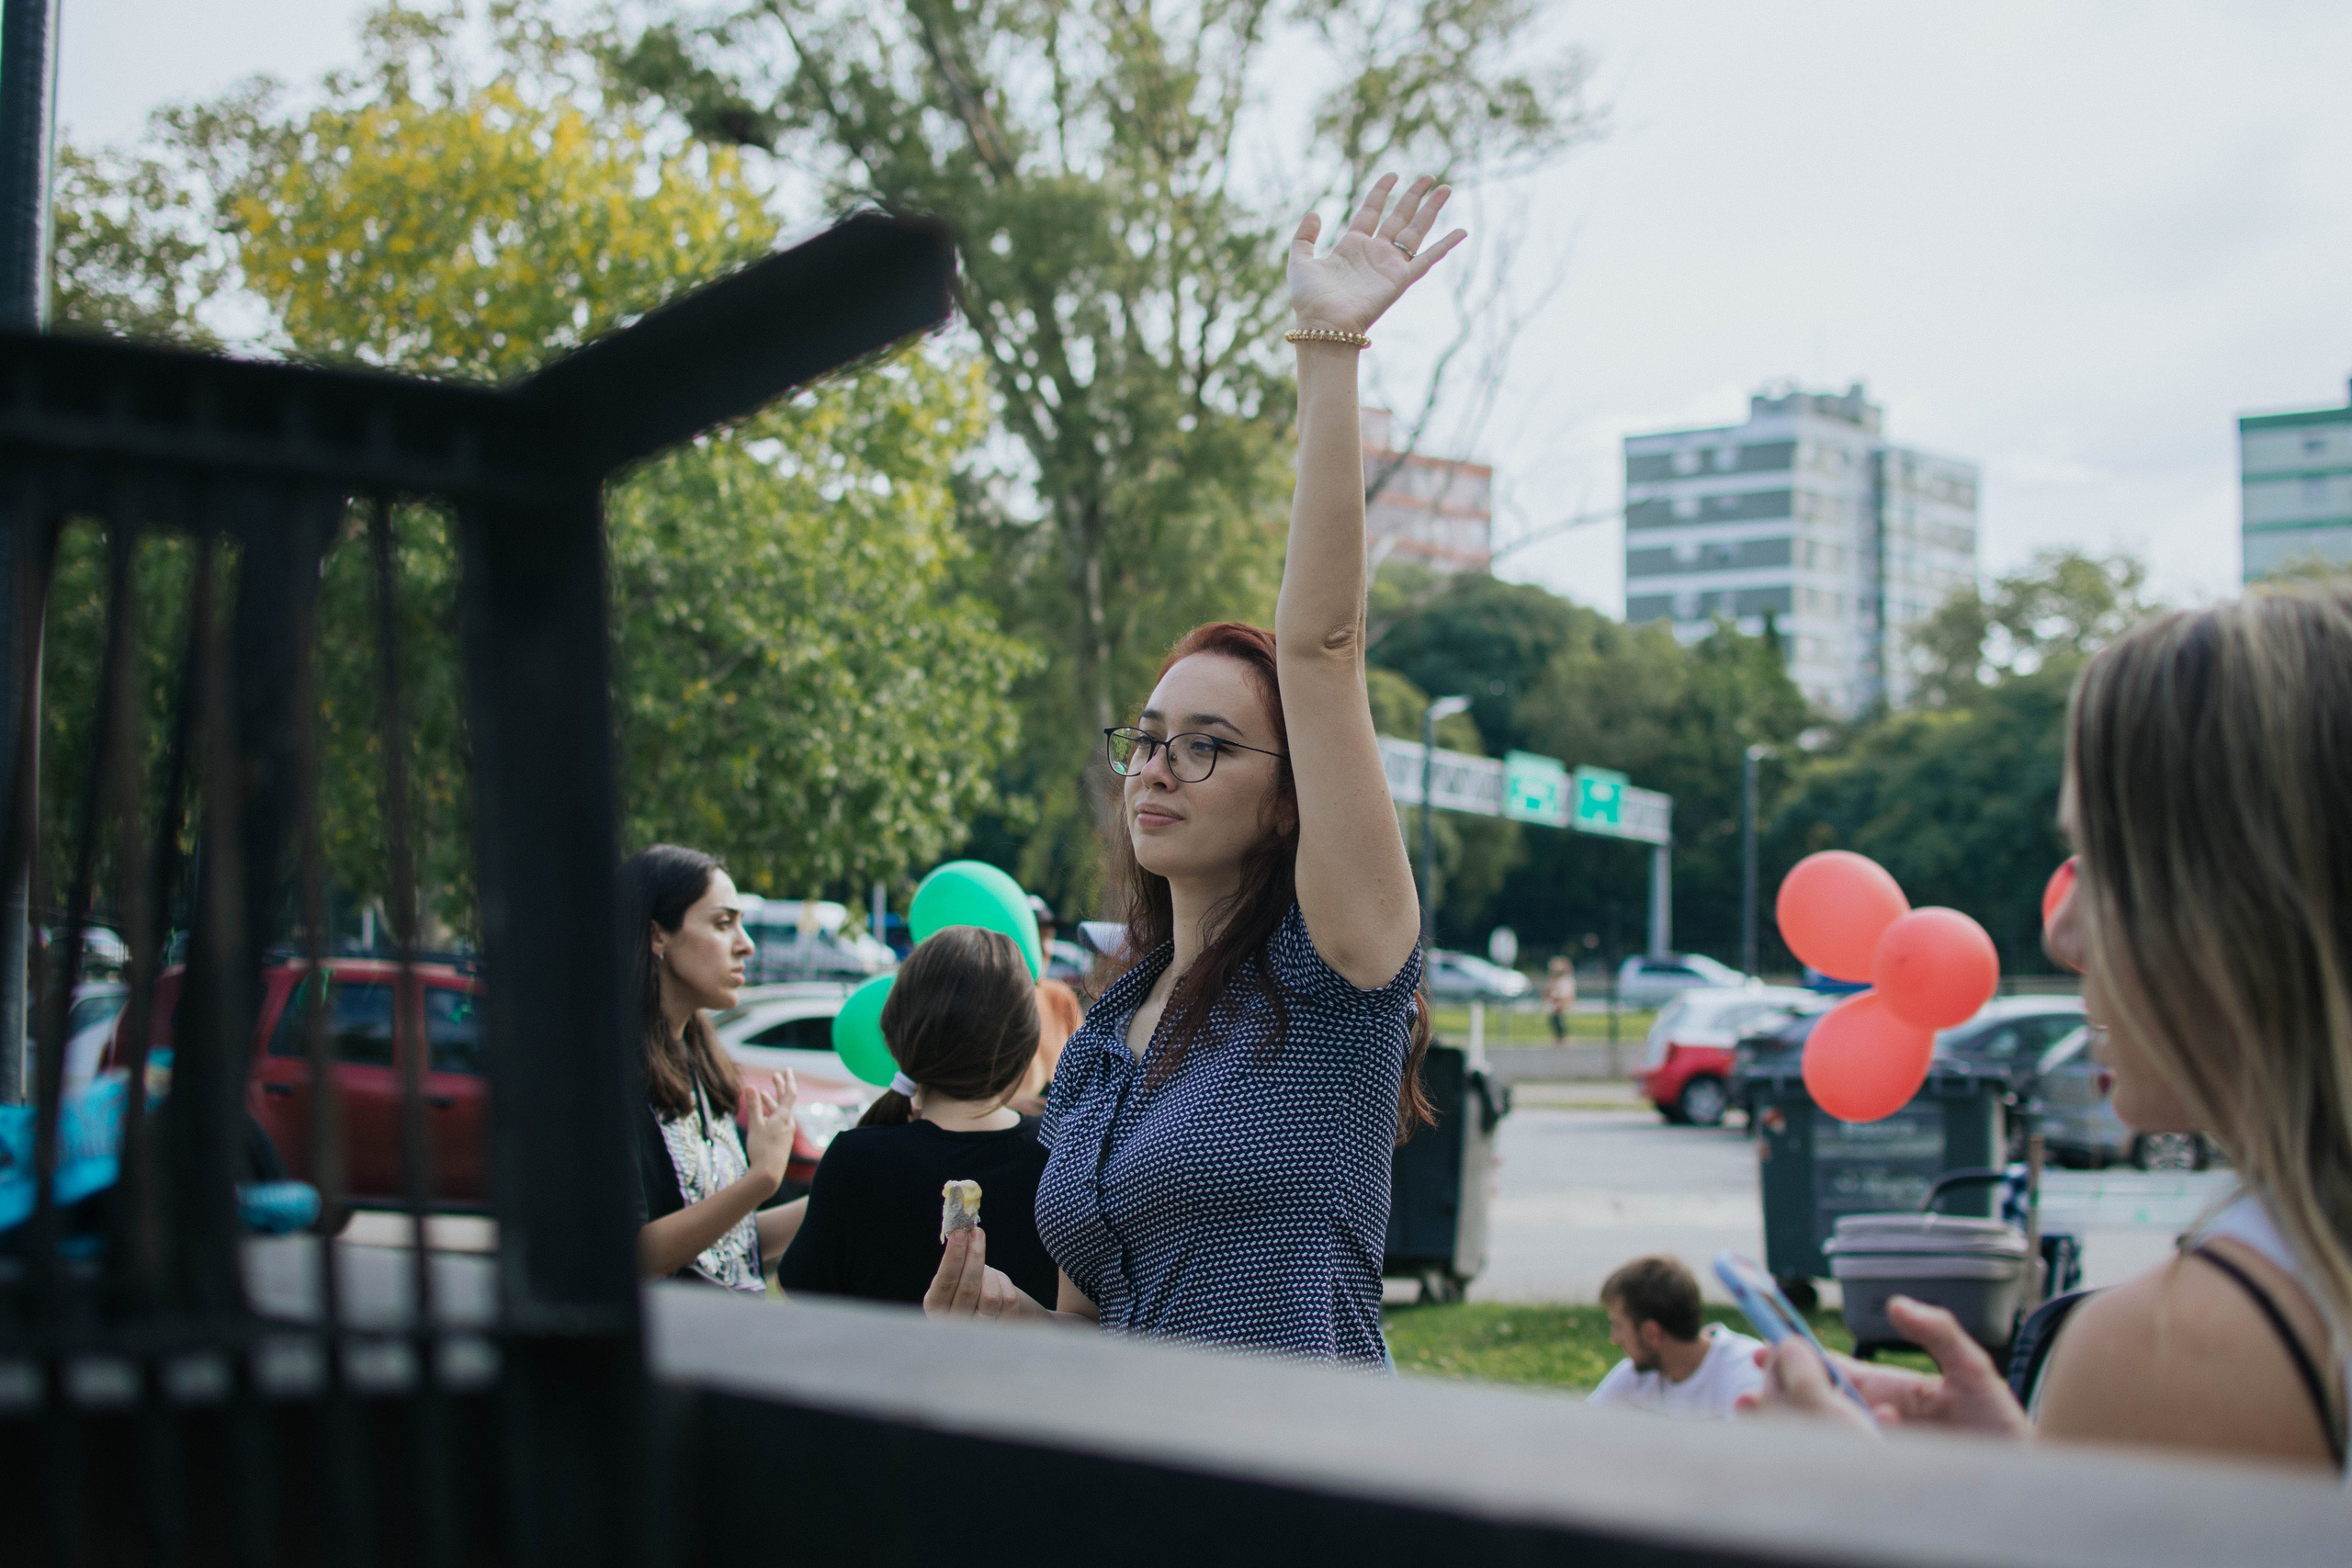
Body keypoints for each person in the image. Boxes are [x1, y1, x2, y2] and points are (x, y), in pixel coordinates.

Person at [923, 174, 1464, 1368]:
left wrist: (1327, 346)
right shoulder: (1104, 1030)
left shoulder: (1334, 976)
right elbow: (1094, 1338)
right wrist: (1010, 1326)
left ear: (1290, 802)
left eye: (1206, 744)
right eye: (1147, 737)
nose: (1156, 768)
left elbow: (1322, 649)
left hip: (1300, 1468)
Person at [1745, 582, 2352, 1476]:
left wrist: (1863, 1498)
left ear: (2242, 904)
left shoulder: (2177, 1347)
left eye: (2103, 862)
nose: (2062, 933)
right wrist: (2028, 1472)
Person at [776, 926, 1057, 1307]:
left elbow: (802, 1296)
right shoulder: (1059, 1156)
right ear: (1026, 1042)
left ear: (896, 1030)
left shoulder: (855, 1160)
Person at [622, 845, 799, 1293]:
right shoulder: (612, 1076)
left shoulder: (699, 1063)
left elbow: (728, 1248)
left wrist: (844, 1187)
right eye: (723, 924)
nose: (746, 944)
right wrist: (761, 1179)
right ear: (657, 936)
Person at [1586, 1257, 1762, 1419]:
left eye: (1618, 1326)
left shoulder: (1747, 1372)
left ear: (1651, 1334)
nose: (1614, 1339)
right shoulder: (1635, 1376)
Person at [1010, 896, 1087, 1116]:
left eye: (1049, 937)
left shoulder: (1061, 998)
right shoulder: (990, 1001)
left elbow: (1085, 1069)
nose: (1046, 949)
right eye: (1036, 937)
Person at [1543, 956, 1577, 1043]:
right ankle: (1558, 1036)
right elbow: (1546, 993)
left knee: (1559, 1017)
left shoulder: (1567, 981)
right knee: (1554, 1018)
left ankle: (1563, 1036)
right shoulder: (1553, 981)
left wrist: (1562, 1002)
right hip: (1555, 1002)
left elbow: (1568, 995)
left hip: (1562, 1002)